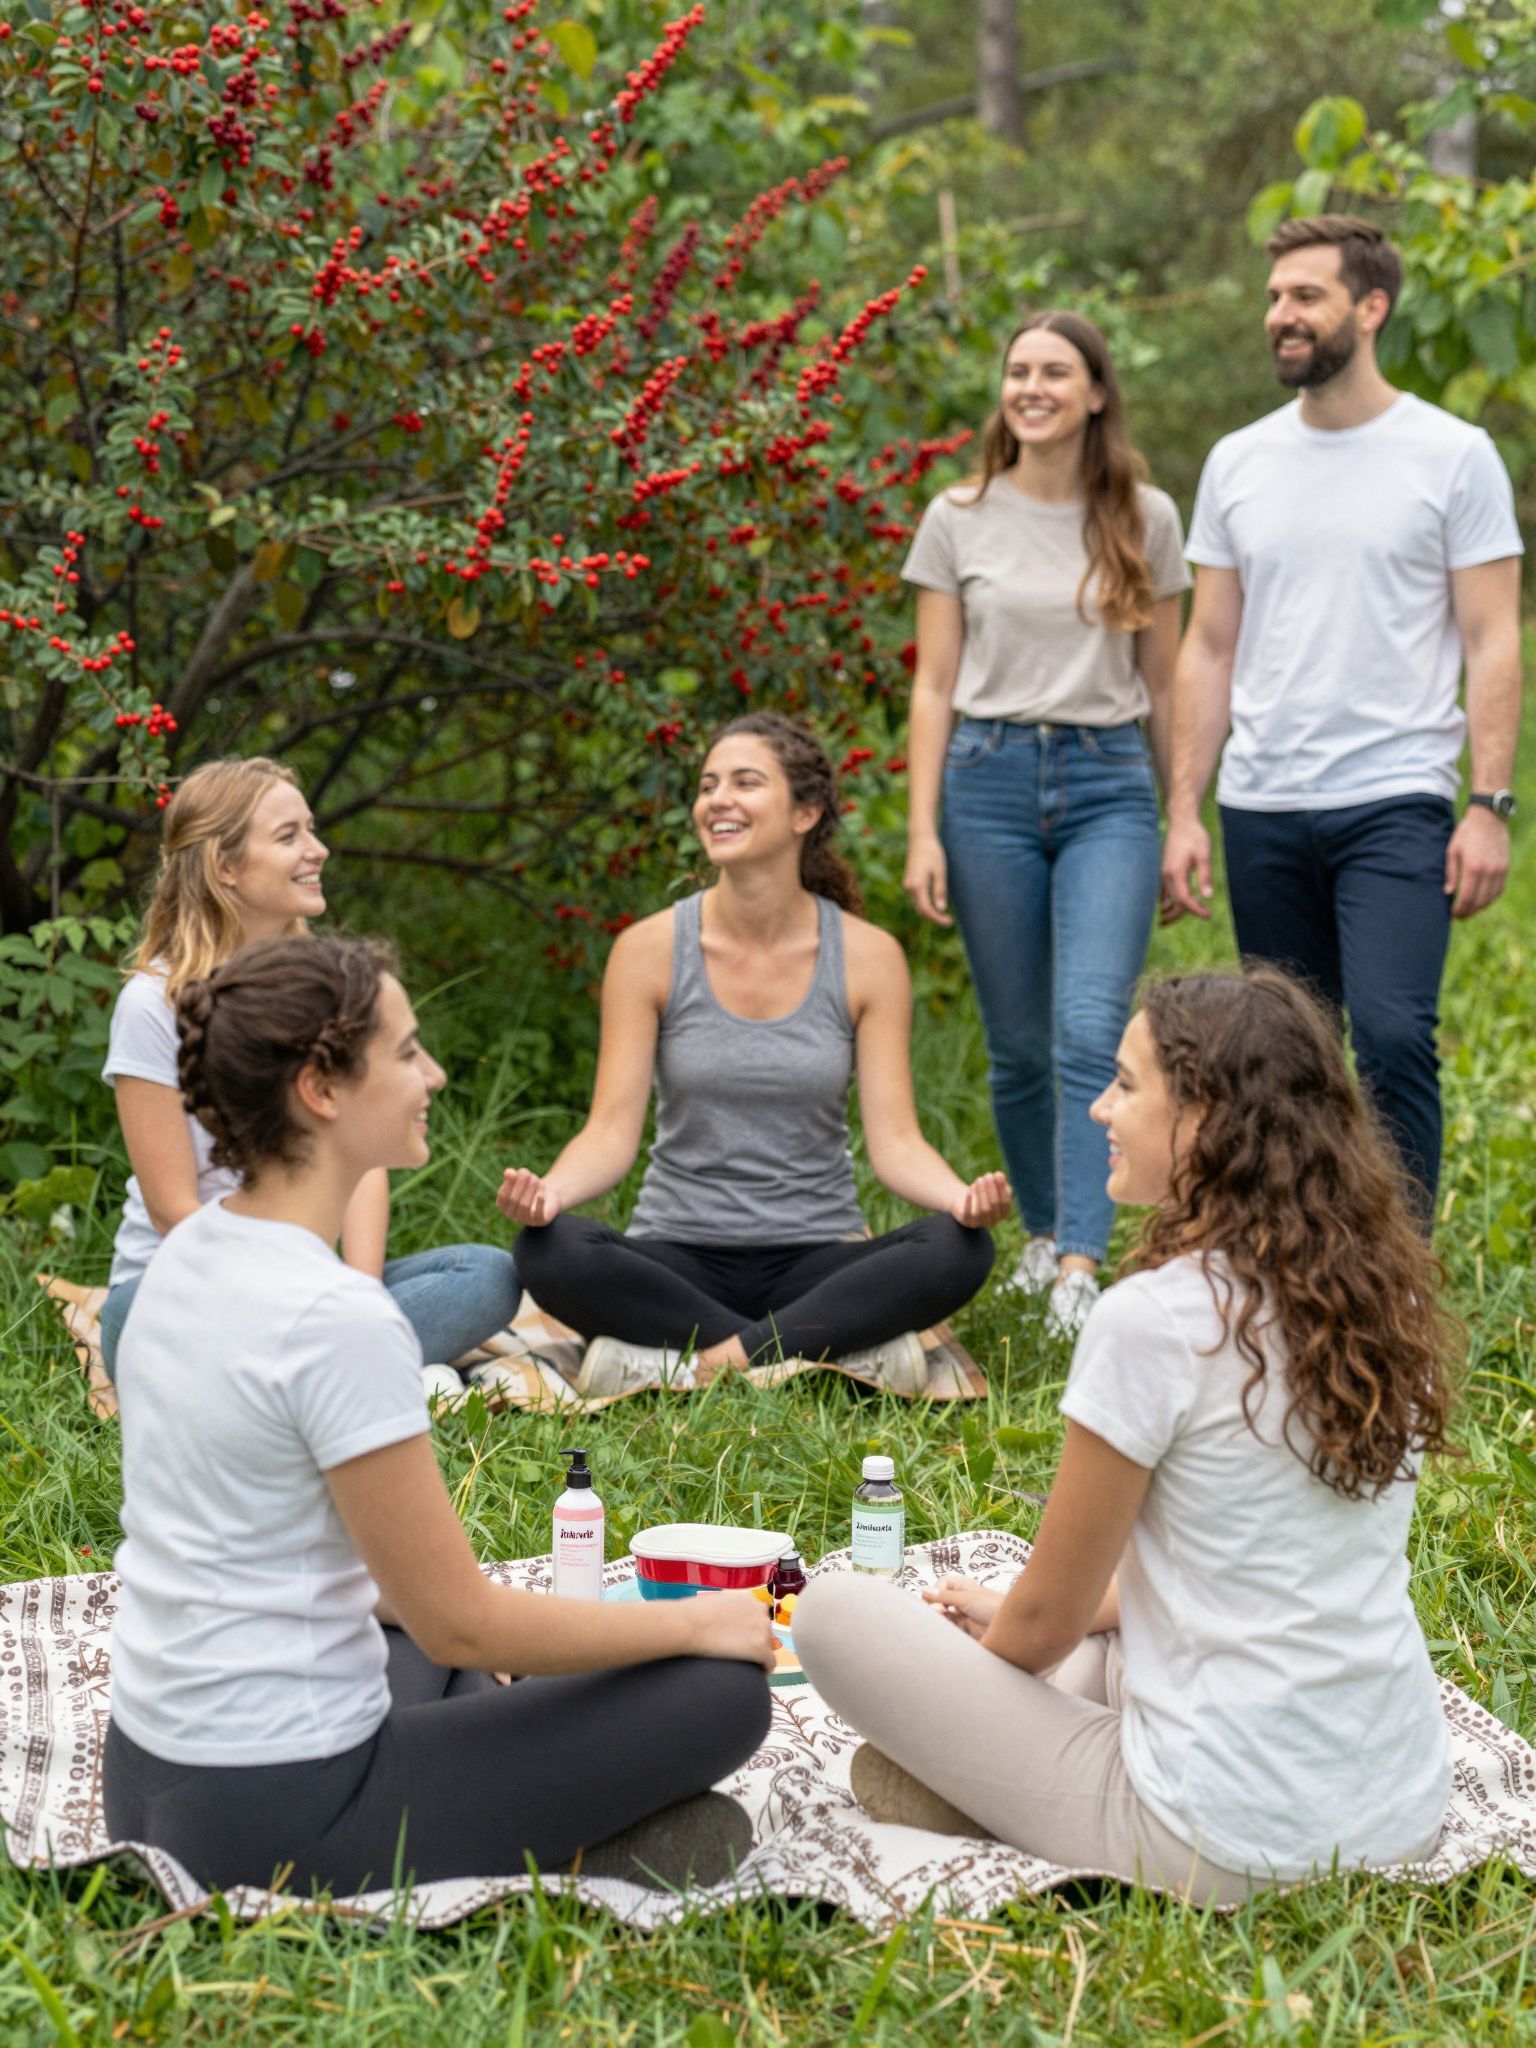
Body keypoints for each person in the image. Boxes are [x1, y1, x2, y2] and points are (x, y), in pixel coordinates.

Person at [103, 933, 774, 1896]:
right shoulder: (337, 1316)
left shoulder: (184, 1259)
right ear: (321, 1089)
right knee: (721, 1692)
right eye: (408, 1051)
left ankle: (534, 1815)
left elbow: (405, 1605)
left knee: (439, 1644)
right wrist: (704, 1624)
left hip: (146, 1782)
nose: (436, 1073)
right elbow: (461, 1624)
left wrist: (490, 1638)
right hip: (285, 1820)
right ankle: (580, 1853)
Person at [793, 967, 1455, 1901]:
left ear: (1208, 1118)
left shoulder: (1154, 1319)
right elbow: (1247, 1560)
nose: (1100, 1107)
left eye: (1127, 1084)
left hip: (1223, 1839)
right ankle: (975, 1775)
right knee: (1103, 1648)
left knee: (833, 1612)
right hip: (1396, 1803)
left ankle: (961, 1781)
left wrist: (965, 1692)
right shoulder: (1384, 1300)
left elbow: (1041, 1623)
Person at [1161, 214, 1524, 1217]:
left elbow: (1494, 637)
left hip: (1394, 795)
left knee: (1394, 1030)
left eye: (1305, 296)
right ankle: (1304, 1261)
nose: (1282, 315)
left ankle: (1400, 1274)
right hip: (1263, 801)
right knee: (1280, 1053)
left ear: (1371, 308)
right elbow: (1209, 645)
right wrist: (1186, 808)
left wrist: (1488, 802)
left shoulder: (1453, 456)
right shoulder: (1237, 462)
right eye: (1276, 296)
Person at [499, 712, 1010, 1398]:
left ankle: (705, 1362)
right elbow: (609, 1132)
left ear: (806, 812)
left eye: (745, 782)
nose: (717, 800)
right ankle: (806, 1348)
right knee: (547, 1249)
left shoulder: (868, 957)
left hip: (817, 1256)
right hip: (676, 1256)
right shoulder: (648, 951)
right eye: (708, 785)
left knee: (960, 1249)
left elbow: (896, 1142)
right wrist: (549, 1196)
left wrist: (962, 1201)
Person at [901, 310, 1189, 1336]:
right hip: (985, 781)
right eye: (1017, 369)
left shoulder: (1145, 516)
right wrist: (921, 829)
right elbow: (932, 683)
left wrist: (1183, 815)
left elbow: (1166, 682)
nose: (1031, 386)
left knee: (1085, 1030)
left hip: (1111, 781)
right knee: (1018, 1042)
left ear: (1096, 392)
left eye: (1054, 371)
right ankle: (1035, 1240)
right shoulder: (959, 514)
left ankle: (1079, 1259)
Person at [99, 756, 522, 1404]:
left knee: (488, 1275)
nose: (317, 850)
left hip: (314, 1287)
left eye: (312, 830)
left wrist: (357, 1297)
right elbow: (173, 1213)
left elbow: (365, 1154)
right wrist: (296, 1294)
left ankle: (320, 1367)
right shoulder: (152, 1004)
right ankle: (348, 1371)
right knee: (129, 1315)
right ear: (225, 866)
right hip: (193, 1288)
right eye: (289, 835)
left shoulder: (325, 988)